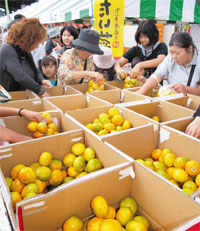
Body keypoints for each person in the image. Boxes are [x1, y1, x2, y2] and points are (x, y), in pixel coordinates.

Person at [0, 18, 52, 97]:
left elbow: (35, 70)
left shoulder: (25, 51)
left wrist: (42, 80)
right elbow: (19, 75)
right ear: (29, 39)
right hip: (8, 99)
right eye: (37, 42)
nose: (37, 46)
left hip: (21, 96)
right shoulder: (7, 49)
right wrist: (40, 90)